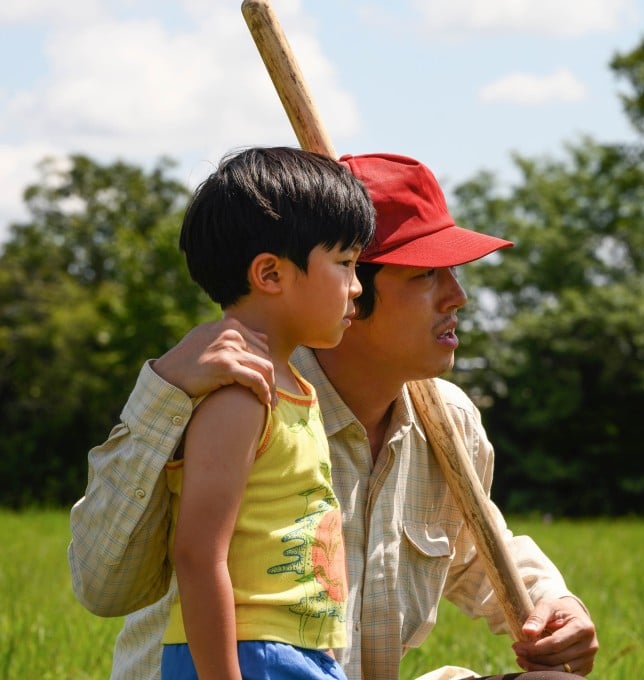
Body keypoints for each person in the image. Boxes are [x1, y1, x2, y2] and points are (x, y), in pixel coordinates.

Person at [69, 152, 599, 680]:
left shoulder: (449, 421)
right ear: (352, 284)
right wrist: (162, 392)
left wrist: (554, 603)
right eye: (424, 275)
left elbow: (475, 549)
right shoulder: (234, 391)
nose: (457, 296)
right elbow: (102, 584)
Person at [161, 146, 375, 679]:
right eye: (346, 264)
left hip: (296, 653)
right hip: (249, 652)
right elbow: (196, 553)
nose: (357, 286)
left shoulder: (295, 387)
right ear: (271, 274)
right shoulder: (239, 396)